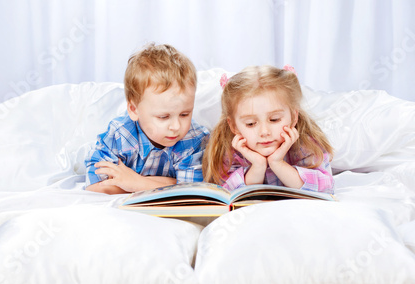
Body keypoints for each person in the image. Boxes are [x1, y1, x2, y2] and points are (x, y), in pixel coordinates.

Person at [85, 43, 209, 194]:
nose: (176, 126)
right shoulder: (119, 135)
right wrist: (171, 183)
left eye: (185, 114)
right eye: (163, 117)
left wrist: (136, 182)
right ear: (133, 109)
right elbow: (96, 186)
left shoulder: (195, 139)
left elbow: (190, 191)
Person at [203, 65, 334, 193]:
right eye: (251, 123)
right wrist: (258, 166)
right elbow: (224, 194)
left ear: (294, 117)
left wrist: (277, 163)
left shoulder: (305, 144)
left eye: (274, 119)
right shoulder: (230, 151)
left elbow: (326, 187)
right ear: (234, 126)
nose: (264, 132)